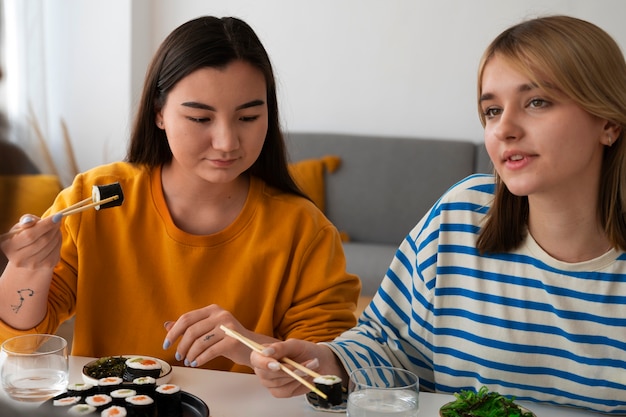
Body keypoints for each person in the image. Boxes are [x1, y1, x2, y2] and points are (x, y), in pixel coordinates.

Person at [250, 15, 626, 414]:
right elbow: (388, 344)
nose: (504, 129)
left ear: (608, 122)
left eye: (537, 102)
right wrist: (325, 362)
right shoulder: (460, 216)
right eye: (493, 110)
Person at [0, 16, 360, 373]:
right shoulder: (95, 199)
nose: (226, 142)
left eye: (248, 117)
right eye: (201, 119)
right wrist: (26, 266)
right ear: (159, 114)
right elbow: (21, 342)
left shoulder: (303, 228)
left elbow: (330, 368)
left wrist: (249, 344)